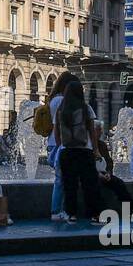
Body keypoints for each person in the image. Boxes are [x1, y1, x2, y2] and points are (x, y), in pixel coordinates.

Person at [55, 77, 101, 224]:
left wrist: (60, 146)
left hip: (66, 151)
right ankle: (95, 214)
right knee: (90, 184)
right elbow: (92, 131)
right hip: (84, 151)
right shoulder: (86, 108)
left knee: (70, 185)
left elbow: (57, 134)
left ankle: (71, 214)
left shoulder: (61, 110)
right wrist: (95, 149)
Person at [45, 71, 76, 222]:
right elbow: (60, 125)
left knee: (62, 179)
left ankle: (59, 210)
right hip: (59, 144)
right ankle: (57, 210)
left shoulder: (53, 100)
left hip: (52, 143)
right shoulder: (61, 101)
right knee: (61, 180)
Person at [89, 119, 133, 217]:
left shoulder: (102, 145)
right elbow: (86, 166)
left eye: (100, 130)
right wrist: (98, 174)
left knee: (119, 183)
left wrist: (108, 172)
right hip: (92, 175)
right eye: (98, 130)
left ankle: (130, 210)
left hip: (104, 174)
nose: (101, 132)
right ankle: (101, 214)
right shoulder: (87, 146)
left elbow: (109, 162)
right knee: (96, 187)